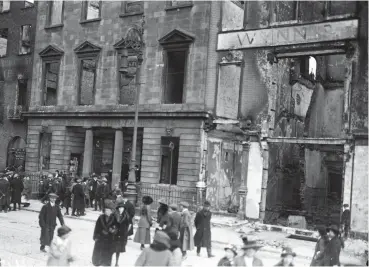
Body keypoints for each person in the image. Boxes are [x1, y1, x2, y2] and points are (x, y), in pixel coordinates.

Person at [92, 200, 117, 267]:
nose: (107, 211)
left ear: (111, 211)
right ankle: (97, 262)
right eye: (106, 210)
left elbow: (116, 228)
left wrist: (112, 230)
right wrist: (96, 236)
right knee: (99, 251)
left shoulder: (114, 218)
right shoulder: (101, 218)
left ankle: (106, 263)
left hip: (109, 239)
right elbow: (97, 227)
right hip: (100, 237)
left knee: (108, 252)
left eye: (108, 210)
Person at [112, 199, 131, 267]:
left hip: (122, 235)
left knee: (118, 250)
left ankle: (116, 262)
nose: (121, 209)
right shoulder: (114, 214)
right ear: (118, 208)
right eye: (120, 208)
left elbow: (128, 225)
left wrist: (125, 234)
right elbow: (110, 223)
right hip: (115, 234)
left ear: (124, 208)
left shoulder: (126, 215)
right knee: (111, 249)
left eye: (122, 208)